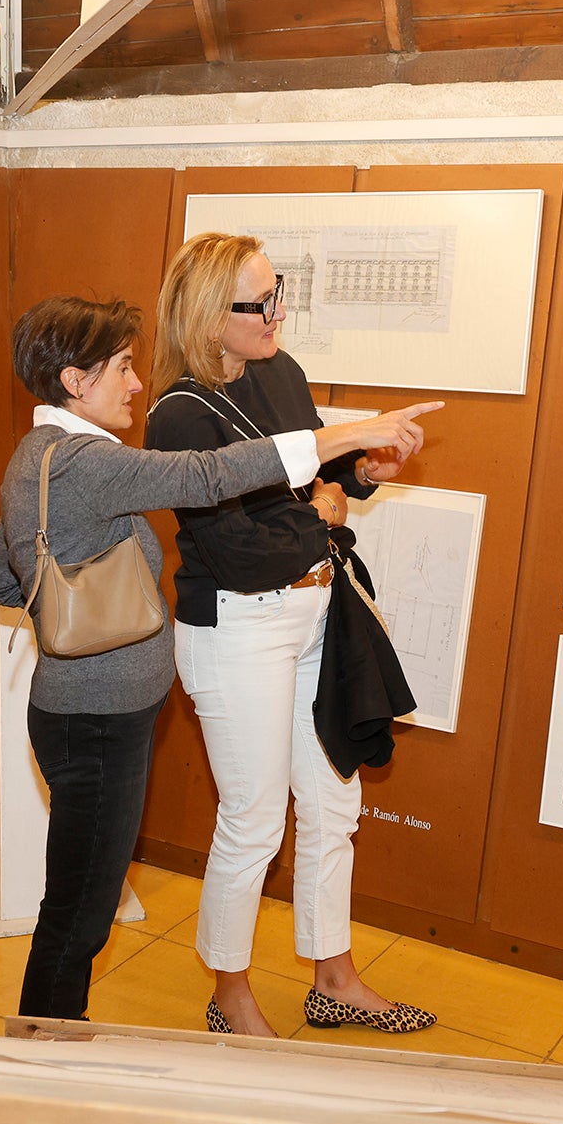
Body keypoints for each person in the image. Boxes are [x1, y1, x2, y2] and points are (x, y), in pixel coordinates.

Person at [0, 295, 438, 1022]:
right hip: (96, 718)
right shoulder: (85, 462)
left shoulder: (37, 457)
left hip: (88, 711)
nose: (137, 384)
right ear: (76, 381)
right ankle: (48, 1063)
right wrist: (340, 437)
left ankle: (54, 1052)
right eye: (124, 368)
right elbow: (204, 478)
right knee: (79, 918)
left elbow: (6, 579)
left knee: (81, 908)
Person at [143, 232, 440, 1037]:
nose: (278, 313)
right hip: (238, 627)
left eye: (279, 295)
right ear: (209, 317)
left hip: (312, 614)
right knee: (254, 819)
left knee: (335, 799)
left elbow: (306, 476)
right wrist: (321, 518)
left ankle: (333, 976)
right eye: (259, 303)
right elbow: (235, 549)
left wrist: (356, 478)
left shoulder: (279, 371)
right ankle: (229, 995)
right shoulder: (178, 415)